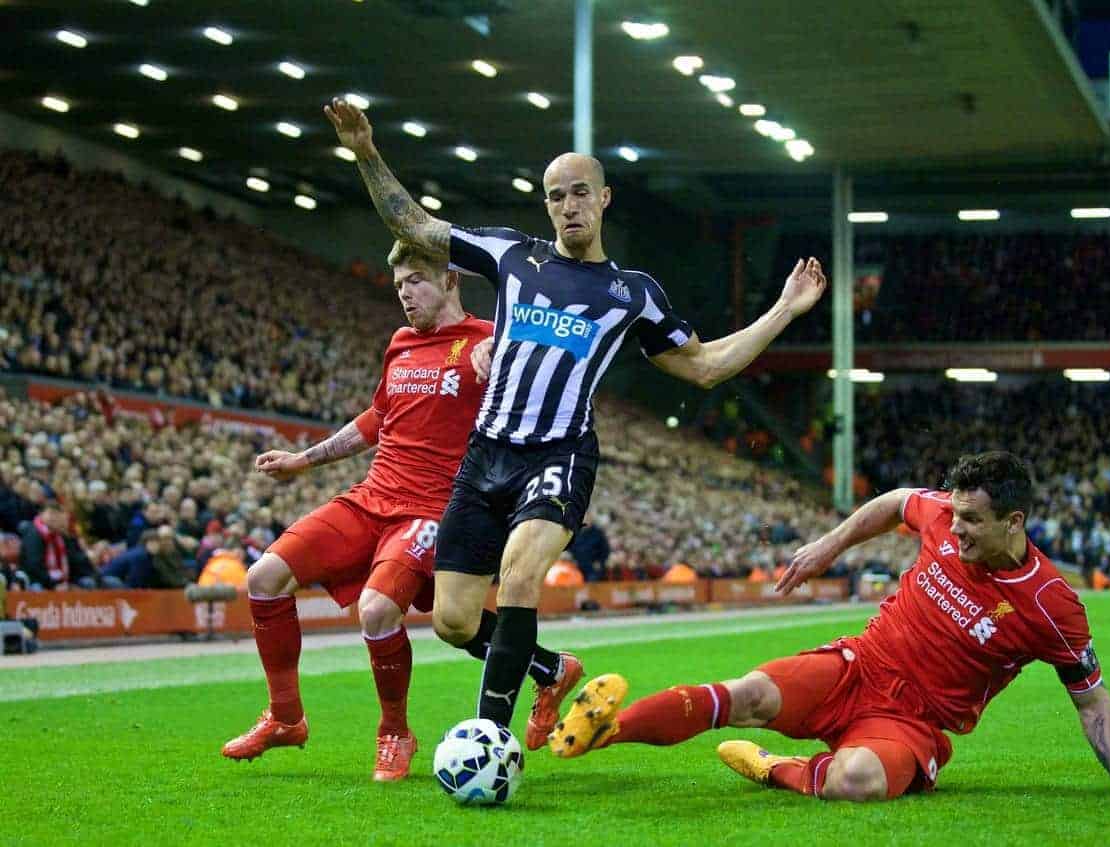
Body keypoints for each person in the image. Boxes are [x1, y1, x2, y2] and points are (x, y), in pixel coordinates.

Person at [322, 97, 828, 750]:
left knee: (522, 575)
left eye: (580, 192)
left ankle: (489, 740)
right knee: (452, 619)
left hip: (558, 456)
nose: (568, 205)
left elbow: (704, 365)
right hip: (485, 455)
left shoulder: (632, 292)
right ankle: (550, 670)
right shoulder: (510, 255)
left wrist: (783, 310)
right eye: (556, 195)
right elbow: (414, 224)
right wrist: (367, 152)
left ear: (604, 198)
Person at [548, 452, 1110, 801]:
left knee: (856, 780)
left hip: (913, 721)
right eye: (953, 516)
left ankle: (774, 767)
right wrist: (829, 545)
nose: (954, 531)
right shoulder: (941, 517)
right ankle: (600, 732)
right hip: (858, 665)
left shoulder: (1051, 605)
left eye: (972, 522)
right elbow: (898, 501)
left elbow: (1090, 699)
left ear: (1015, 522)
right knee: (748, 693)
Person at [222, 245, 509, 781]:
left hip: (430, 508)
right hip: (372, 496)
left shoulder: (489, 340)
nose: (405, 292)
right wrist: (303, 460)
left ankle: (395, 732)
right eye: (399, 283)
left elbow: (535, 395)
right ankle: (286, 717)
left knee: (376, 610)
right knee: (263, 577)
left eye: (417, 280)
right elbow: (378, 417)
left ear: (451, 280)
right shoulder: (399, 344)